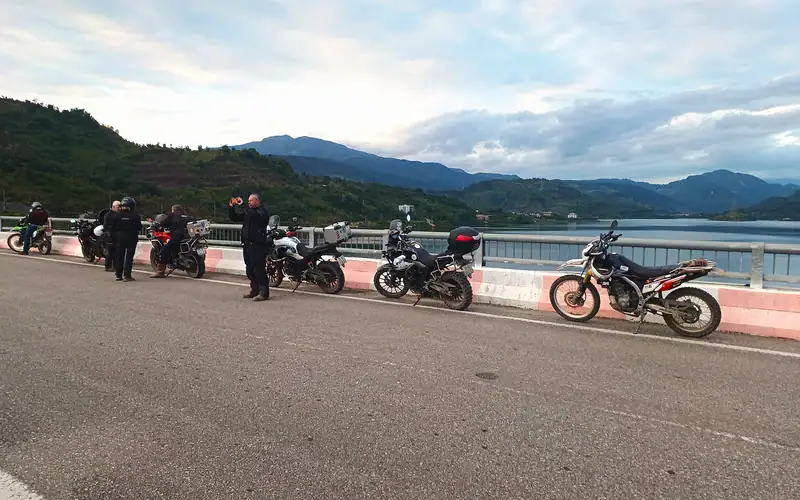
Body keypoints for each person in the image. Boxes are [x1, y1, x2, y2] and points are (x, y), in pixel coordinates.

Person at [229, 193, 270, 301]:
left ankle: (264, 292)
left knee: (259, 268)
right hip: (247, 244)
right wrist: (231, 207)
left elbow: (253, 214)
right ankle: (254, 290)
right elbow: (234, 218)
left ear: (258, 201)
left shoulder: (262, 212)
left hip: (258, 244)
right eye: (248, 201)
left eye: (251, 201)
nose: (249, 202)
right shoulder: (249, 212)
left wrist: (242, 205)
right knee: (249, 268)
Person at [150, 204, 194, 278]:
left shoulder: (173, 215)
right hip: (188, 237)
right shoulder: (187, 216)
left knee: (164, 250)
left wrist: (158, 225)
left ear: (173, 210)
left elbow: (164, 224)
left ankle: (160, 272)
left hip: (177, 237)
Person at [105, 197, 142, 282]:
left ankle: (118, 275)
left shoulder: (116, 215)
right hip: (131, 237)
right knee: (129, 256)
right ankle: (127, 275)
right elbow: (139, 227)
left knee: (119, 256)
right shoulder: (135, 215)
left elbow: (112, 227)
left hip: (119, 237)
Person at [102, 200, 120, 272]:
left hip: (116, 235)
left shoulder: (118, 215)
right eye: (118, 207)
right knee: (109, 252)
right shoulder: (108, 215)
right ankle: (108, 266)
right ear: (113, 207)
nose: (119, 209)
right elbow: (106, 225)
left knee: (116, 252)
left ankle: (115, 266)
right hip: (110, 235)